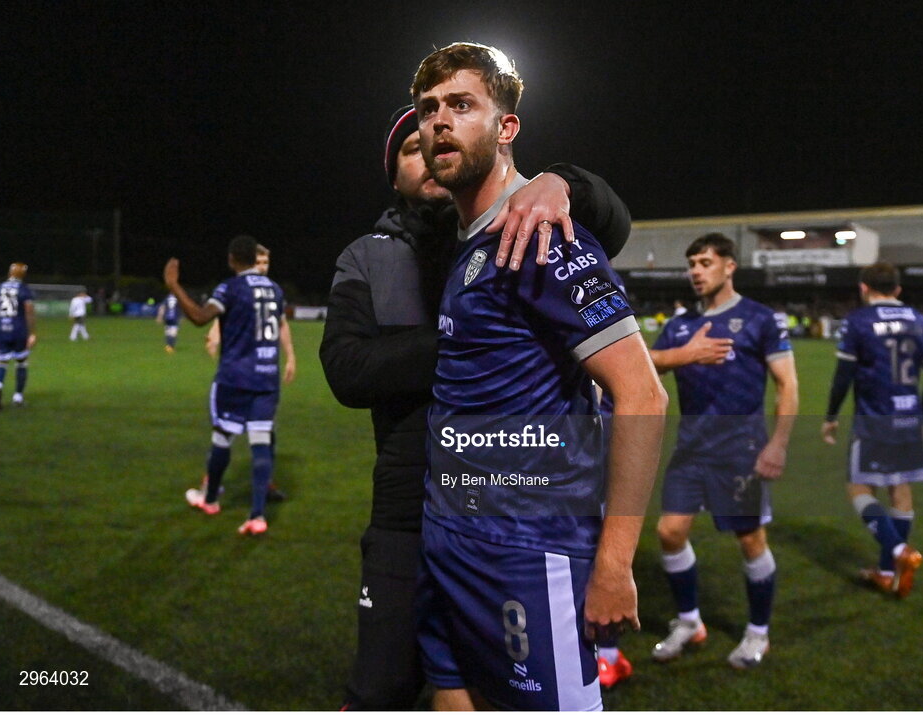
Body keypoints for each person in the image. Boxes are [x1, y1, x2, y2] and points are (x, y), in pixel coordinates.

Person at [320, 94, 635, 707]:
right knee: (386, 687)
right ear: (396, 175)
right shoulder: (368, 255)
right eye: (412, 147)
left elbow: (616, 225)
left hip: (516, 513)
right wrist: (466, 341)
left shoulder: (519, 226)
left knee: (501, 686)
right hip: (410, 510)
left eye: (443, 133)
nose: (433, 146)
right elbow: (347, 370)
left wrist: (559, 182)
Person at [410, 41, 668, 710]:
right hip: (450, 536)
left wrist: (614, 563)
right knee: (451, 692)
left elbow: (641, 392)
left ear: (506, 127)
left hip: (528, 550)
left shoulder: (541, 233)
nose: (440, 120)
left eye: (462, 105)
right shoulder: (467, 241)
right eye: (429, 108)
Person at [649, 233, 799, 669]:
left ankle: (758, 633)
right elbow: (645, 363)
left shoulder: (760, 319)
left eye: (705, 262)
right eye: (692, 263)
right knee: (669, 532)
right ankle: (690, 621)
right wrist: (686, 353)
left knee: (750, 538)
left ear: (730, 266)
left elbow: (787, 385)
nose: (696, 270)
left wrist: (778, 444)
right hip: (691, 447)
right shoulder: (679, 325)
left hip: (741, 449)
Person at [821, 262, 923, 597]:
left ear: (863, 288)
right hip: (907, 420)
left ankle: (899, 552)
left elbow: (843, 376)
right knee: (900, 491)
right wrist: (921, 418)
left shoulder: (859, 322)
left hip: (874, 419)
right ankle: (889, 573)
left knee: (858, 488)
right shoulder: (922, 322)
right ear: (898, 289)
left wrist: (831, 415)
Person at [163, 235, 292, 535]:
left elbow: (198, 317)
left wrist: (173, 284)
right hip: (266, 377)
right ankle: (257, 516)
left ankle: (209, 500)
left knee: (222, 437)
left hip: (235, 377)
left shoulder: (230, 287)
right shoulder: (274, 289)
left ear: (232, 259)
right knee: (261, 442)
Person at [206, 243, 295, 502]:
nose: (262, 268)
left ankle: (262, 485)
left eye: (266, 263)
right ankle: (212, 481)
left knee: (264, 433)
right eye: (259, 262)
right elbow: (222, 319)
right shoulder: (242, 292)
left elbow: (282, 324)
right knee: (226, 432)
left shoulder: (271, 292)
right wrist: (214, 335)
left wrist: (290, 357)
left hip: (261, 375)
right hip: (244, 374)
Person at [0, 262, 37, 410]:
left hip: (1, 329)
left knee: (1, 363)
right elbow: (28, 310)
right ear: (23, 274)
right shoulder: (23, 289)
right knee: (21, 362)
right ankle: (18, 397)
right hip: (19, 330)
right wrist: (32, 332)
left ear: (9, 273)